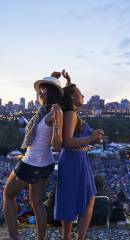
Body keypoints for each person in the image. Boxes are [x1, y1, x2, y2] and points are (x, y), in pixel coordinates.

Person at [3, 71, 63, 240]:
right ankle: (40, 238)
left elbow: (57, 145)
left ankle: (14, 238)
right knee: (36, 203)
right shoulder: (43, 110)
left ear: (51, 93)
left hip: (32, 163)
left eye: (44, 89)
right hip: (43, 164)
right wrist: (53, 78)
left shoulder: (54, 112)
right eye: (40, 88)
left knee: (8, 195)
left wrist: (58, 124)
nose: (40, 91)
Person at [54, 69, 104, 240]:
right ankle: (77, 237)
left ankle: (68, 237)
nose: (83, 96)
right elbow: (67, 142)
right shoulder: (71, 114)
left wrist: (69, 82)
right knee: (87, 200)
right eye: (80, 93)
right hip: (74, 160)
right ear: (73, 98)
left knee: (75, 199)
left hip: (76, 160)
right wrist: (91, 138)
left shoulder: (71, 112)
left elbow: (67, 95)